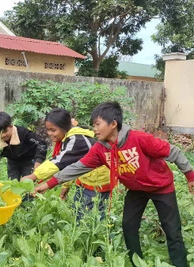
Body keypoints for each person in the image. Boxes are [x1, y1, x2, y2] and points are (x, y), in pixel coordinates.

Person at [35, 101, 194, 267]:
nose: (94, 129)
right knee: (128, 226)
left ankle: (180, 264)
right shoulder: (100, 149)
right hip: (136, 190)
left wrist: (190, 176)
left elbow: (173, 151)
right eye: (93, 125)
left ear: (113, 124)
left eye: (97, 124)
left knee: (172, 229)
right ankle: (136, 262)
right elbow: (78, 167)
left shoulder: (138, 138)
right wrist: (48, 184)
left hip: (161, 187)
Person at [21, 108, 110, 220]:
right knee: (78, 211)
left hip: (96, 181)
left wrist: (33, 176)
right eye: (48, 130)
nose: (49, 133)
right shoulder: (69, 137)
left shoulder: (76, 139)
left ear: (64, 127)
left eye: (53, 130)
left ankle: (99, 235)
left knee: (89, 217)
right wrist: (65, 186)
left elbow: (59, 162)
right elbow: (71, 164)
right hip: (84, 179)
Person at [0, 111, 47, 181]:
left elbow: (41, 144)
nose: (2, 135)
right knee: (12, 185)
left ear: (11, 126)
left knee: (28, 184)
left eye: (5, 131)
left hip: (29, 161)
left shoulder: (24, 133)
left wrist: (38, 162)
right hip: (12, 163)